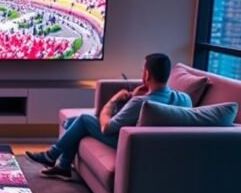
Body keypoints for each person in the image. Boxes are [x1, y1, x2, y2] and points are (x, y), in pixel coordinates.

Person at [26, 53, 192, 180]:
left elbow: (107, 128)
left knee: (83, 120)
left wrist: (113, 101)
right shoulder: (184, 99)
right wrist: (136, 96)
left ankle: (52, 155)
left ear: (147, 75)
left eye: (143, 71)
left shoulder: (141, 103)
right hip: (154, 146)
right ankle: (63, 165)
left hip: (127, 143)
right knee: (73, 123)